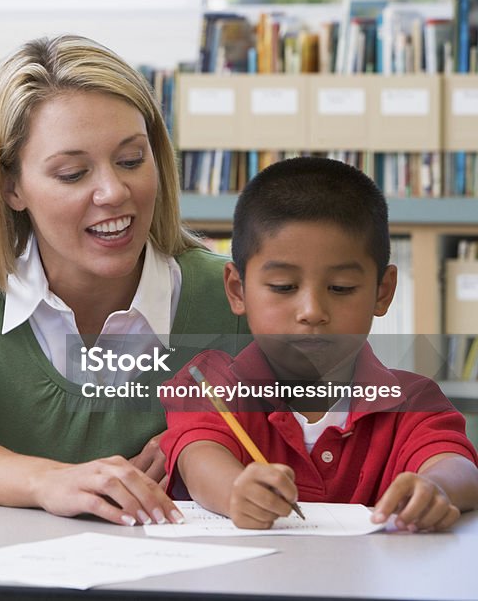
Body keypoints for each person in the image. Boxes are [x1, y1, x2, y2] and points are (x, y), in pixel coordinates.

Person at [0, 34, 248, 526]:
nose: (114, 191)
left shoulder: (231, 292)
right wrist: (50, 481)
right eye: (73, 173)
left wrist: (204, 437)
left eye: (132, 160)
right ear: (11, 187)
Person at [161, 157, 478, 531]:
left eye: (341, 288)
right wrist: (235, 491)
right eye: (283, 287)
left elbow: (456, 464)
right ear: (237, 290)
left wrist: (435, 488)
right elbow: (199, 455)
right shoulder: (210, 383)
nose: (312, 312)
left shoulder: (411, 398)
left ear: (382, 292)